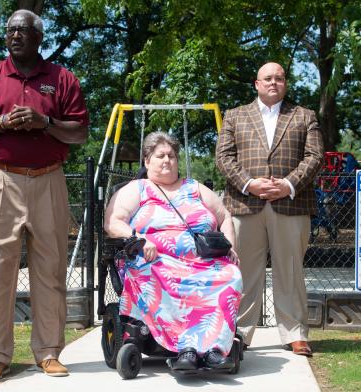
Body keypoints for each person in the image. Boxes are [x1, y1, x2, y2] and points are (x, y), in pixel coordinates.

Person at [0, 10, 89, 380]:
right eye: (10, 30)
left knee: (50, 269)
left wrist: (45, 123)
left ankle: (49, 351)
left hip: (49, 178)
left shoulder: (61, 78)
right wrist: (2, 122)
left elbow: (79, 132)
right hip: (1, 179)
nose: (16, 35)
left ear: (39, 36)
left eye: (24, 30)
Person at [105, 132, 242, 370]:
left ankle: (214, 349)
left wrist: (230, 247)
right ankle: (185, 348)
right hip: (155, 260)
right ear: (147, 161)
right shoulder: (137, 189)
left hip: (202, 262)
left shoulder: (194, 188)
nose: (167, 160)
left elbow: (225, 217)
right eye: (161, 156)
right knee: (155, 276)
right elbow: (113, 222)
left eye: (172, 155)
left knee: (231, 274)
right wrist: (139, 239)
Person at [215, 62, 324, 356]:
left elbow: (315, 157)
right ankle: (238, 333)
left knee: (290, 271)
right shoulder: (235, 116)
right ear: (256, 84)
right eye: (268, 78)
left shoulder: (304, 116)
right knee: (243, 272)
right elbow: (223, 158)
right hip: (244, 203)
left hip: (291, 203)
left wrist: (288, 184)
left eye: (279, 78)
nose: (273, 82)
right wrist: (250, 184)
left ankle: (296, 333)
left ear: (285, 83)